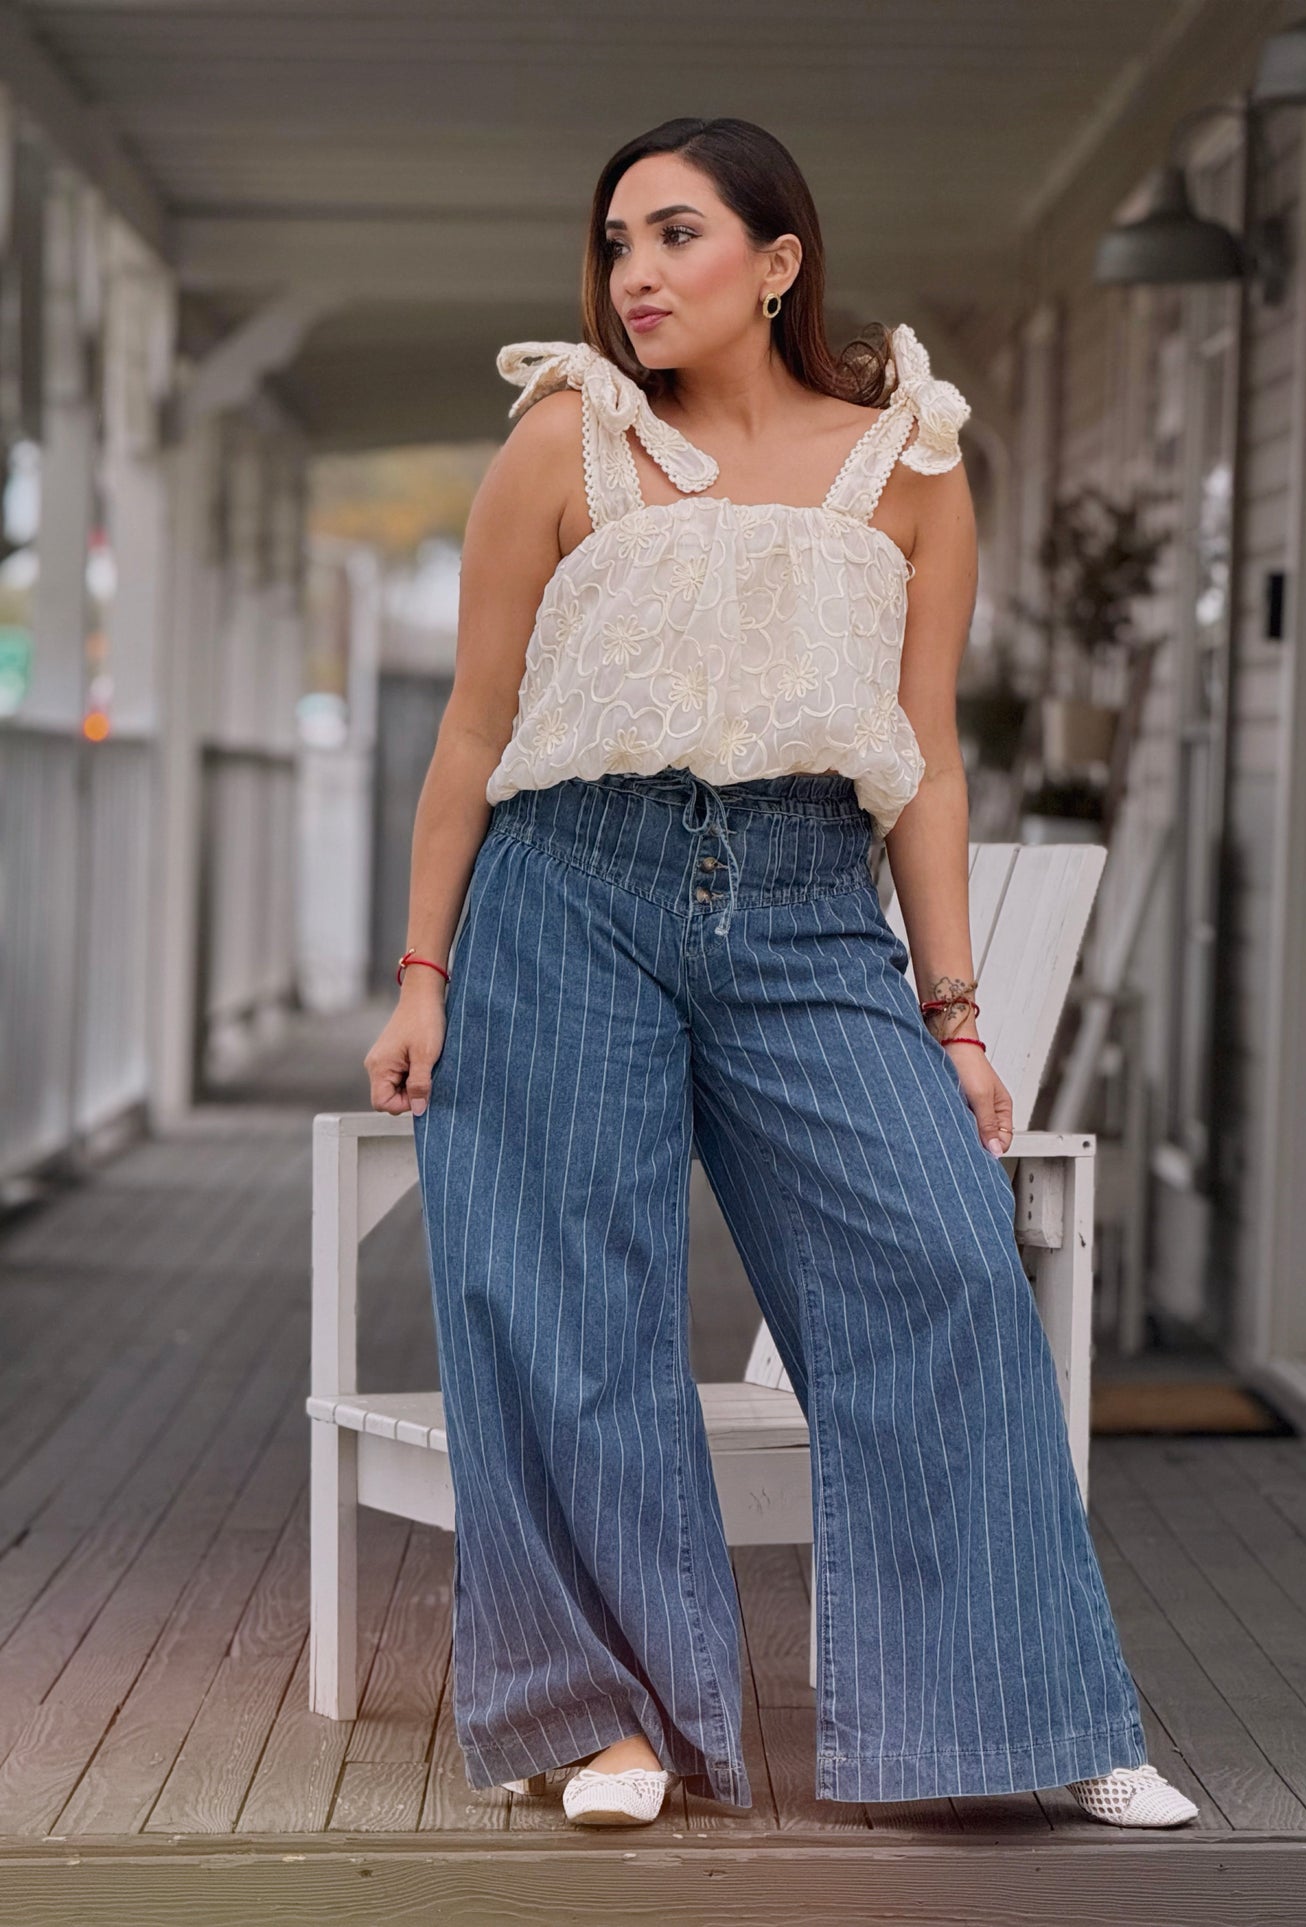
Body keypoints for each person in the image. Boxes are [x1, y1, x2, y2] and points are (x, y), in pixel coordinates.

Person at [364, 115, 1197, 1835]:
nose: (636, 276)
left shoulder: (907, 460)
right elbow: (471, 729)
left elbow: (930, 762)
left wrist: (953, 1019)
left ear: (778, 259)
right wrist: (423, 968)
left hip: (814, 902)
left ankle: (1020, 1717)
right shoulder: (561, 442)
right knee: (563, 1311)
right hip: (564, 892)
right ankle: (608, 1722)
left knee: (943, 1275)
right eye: (615, 246)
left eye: (674, 236)